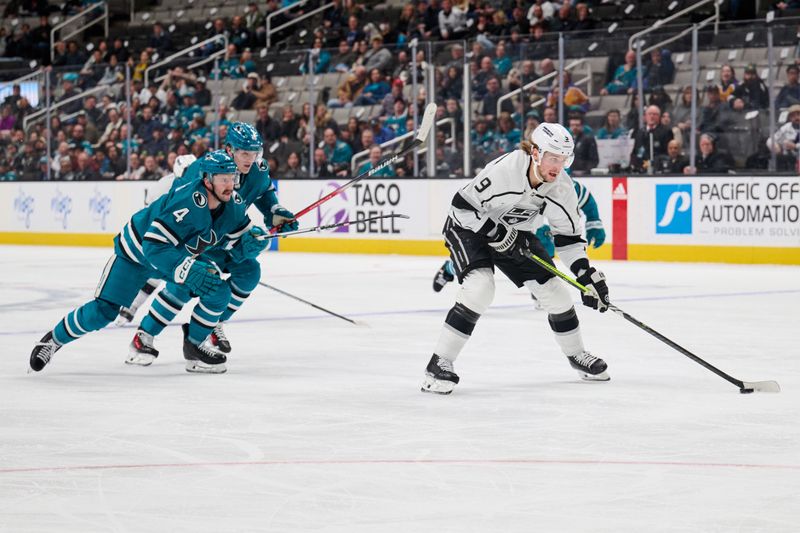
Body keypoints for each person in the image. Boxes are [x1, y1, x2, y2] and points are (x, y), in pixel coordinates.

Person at [421, 123, 612, 395]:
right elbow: (461, 207)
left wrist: (585, 274)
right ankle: (438, 364)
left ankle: (577, 355)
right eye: (552, 157)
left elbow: (568, 238)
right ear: (535, 153)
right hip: (467, 228)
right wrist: (495, 231)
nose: (557, 166)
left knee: (556, 294)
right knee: (480, 288)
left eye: (563, 159)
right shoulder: (506, 170)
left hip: (515, 232)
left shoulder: (561, 187)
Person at [29, 152, 253, 374]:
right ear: (207, 180)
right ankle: (53, 341)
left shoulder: (232, 204)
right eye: (224, 178)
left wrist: (253, 242)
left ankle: (194, 348)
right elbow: (153, 246)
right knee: (103, 312)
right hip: (136, 254)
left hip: (170, 258)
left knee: (216, 289)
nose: (230, 184)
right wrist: (186, 269)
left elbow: (238, 241)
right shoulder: (187, 202)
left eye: (232, 178)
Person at [121, 123, 300, 367]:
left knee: (250, 272)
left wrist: (276, 212)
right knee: (187, 284)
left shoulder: (256, 168)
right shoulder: (203, 170)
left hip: (227, 233)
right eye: (245, 153)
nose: (251, 159)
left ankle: (211, 325)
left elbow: (264, 192)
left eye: (255, 152)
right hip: (195, 239)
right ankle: (144, 336)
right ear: (229, 149)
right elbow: (179, 212)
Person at [433, 178, 606, 292]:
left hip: (530, 226)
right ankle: (449, 268)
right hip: (503, 225)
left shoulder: (565, 187)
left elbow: (586, 199)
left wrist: (594, 222)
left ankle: (539, 287)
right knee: (483, 258)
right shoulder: (520, 178)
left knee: (544, 243)